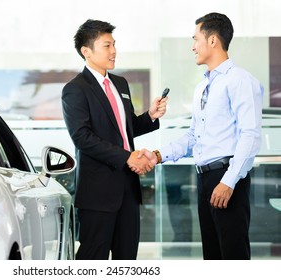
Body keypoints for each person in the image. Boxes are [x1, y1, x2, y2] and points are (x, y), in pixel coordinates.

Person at [137, 12, 264, 259]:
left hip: (227, 178)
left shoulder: (239, 81)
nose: (192, 46)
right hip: (205, 179)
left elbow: (250, 135)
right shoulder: (203, 87)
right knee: (213, 258)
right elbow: (195, 135)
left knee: (233, 257)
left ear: (213, 40)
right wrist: (158, 155)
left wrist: (228, 182)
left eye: (196, 39)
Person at [61, 19, 167, 260]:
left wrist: (150, 116)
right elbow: (82, 137)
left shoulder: (120, 83)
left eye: (114, 45)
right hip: (98, 192)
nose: (114, 51)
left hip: (128, 189)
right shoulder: (75, 89)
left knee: (127, 258)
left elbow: (124, 129)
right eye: (107, 46)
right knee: (92, 258)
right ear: (86, 52)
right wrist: (127, 156)